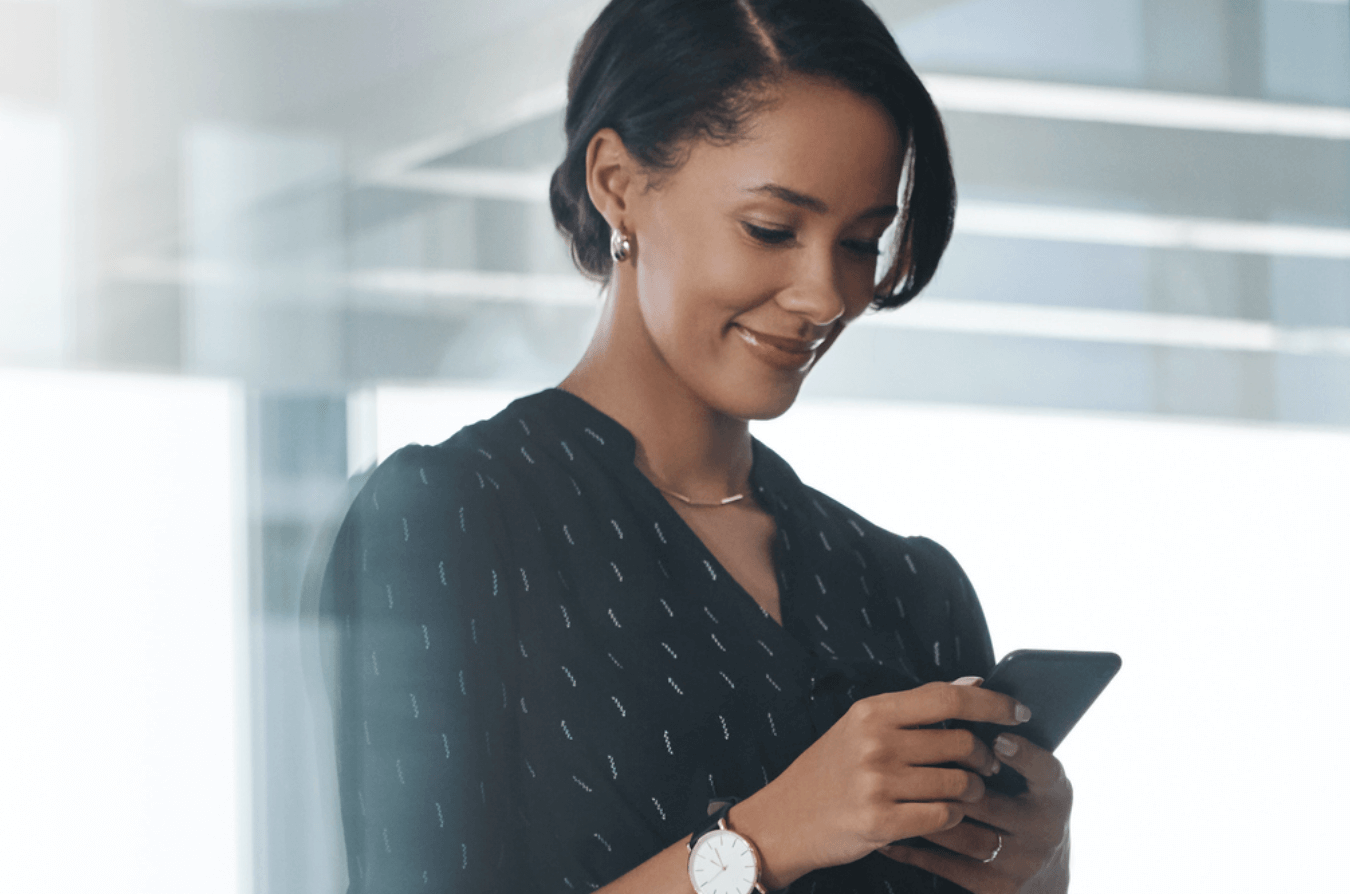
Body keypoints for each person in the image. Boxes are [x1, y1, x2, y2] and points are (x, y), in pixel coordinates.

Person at [319, 1, 1073, 892]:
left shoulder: (912, 591)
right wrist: (764, 840)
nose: (824, 294)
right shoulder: (449, 519)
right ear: (617, 182)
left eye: (862, 243)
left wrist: (1038, 866)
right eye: (772, 230)